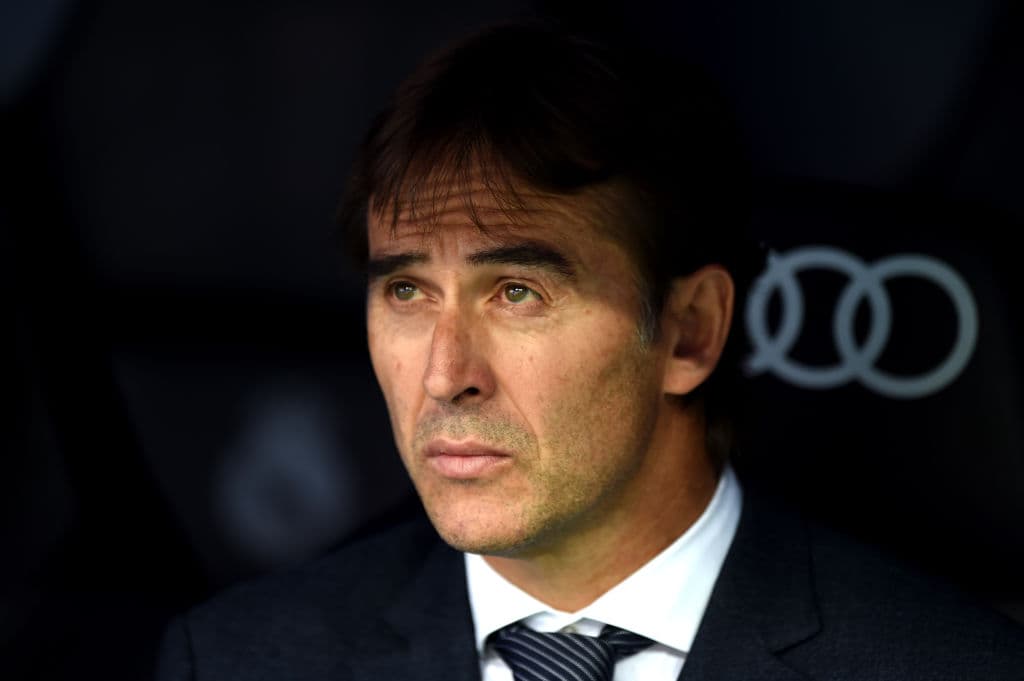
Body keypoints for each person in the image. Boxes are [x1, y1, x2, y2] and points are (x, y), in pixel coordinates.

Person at [156, 21, 1024, 681]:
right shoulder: (234, 660)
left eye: (518, 292)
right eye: (407, 292)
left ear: (690, 331)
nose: (445, 375)